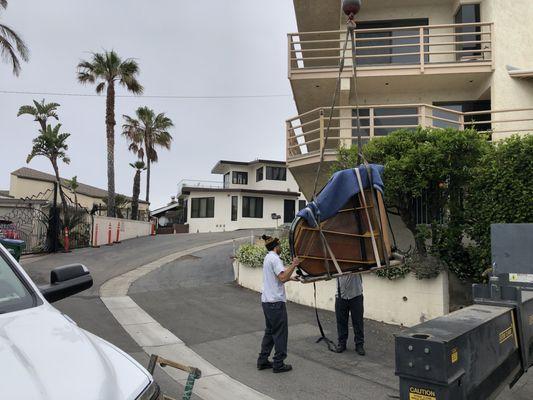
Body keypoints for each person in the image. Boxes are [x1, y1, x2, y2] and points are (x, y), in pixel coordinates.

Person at [257, 234, 300, 373]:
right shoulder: (275, 259)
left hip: (267, 302)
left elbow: (277, 278)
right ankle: (278, 363)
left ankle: (262, 361)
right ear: (276, 247)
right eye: (280, 246)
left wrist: (291, 278)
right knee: (280, 333)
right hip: (276, 303)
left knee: (270, 332)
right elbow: (282, 277)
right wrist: (293, 265)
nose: (281, 248)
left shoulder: (268, 257)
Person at [335, 274, 365, 355]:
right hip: (341, 295)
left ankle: (359, 344)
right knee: (341, 321)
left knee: (358, 321)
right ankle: (342, 343)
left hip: (356, 295)